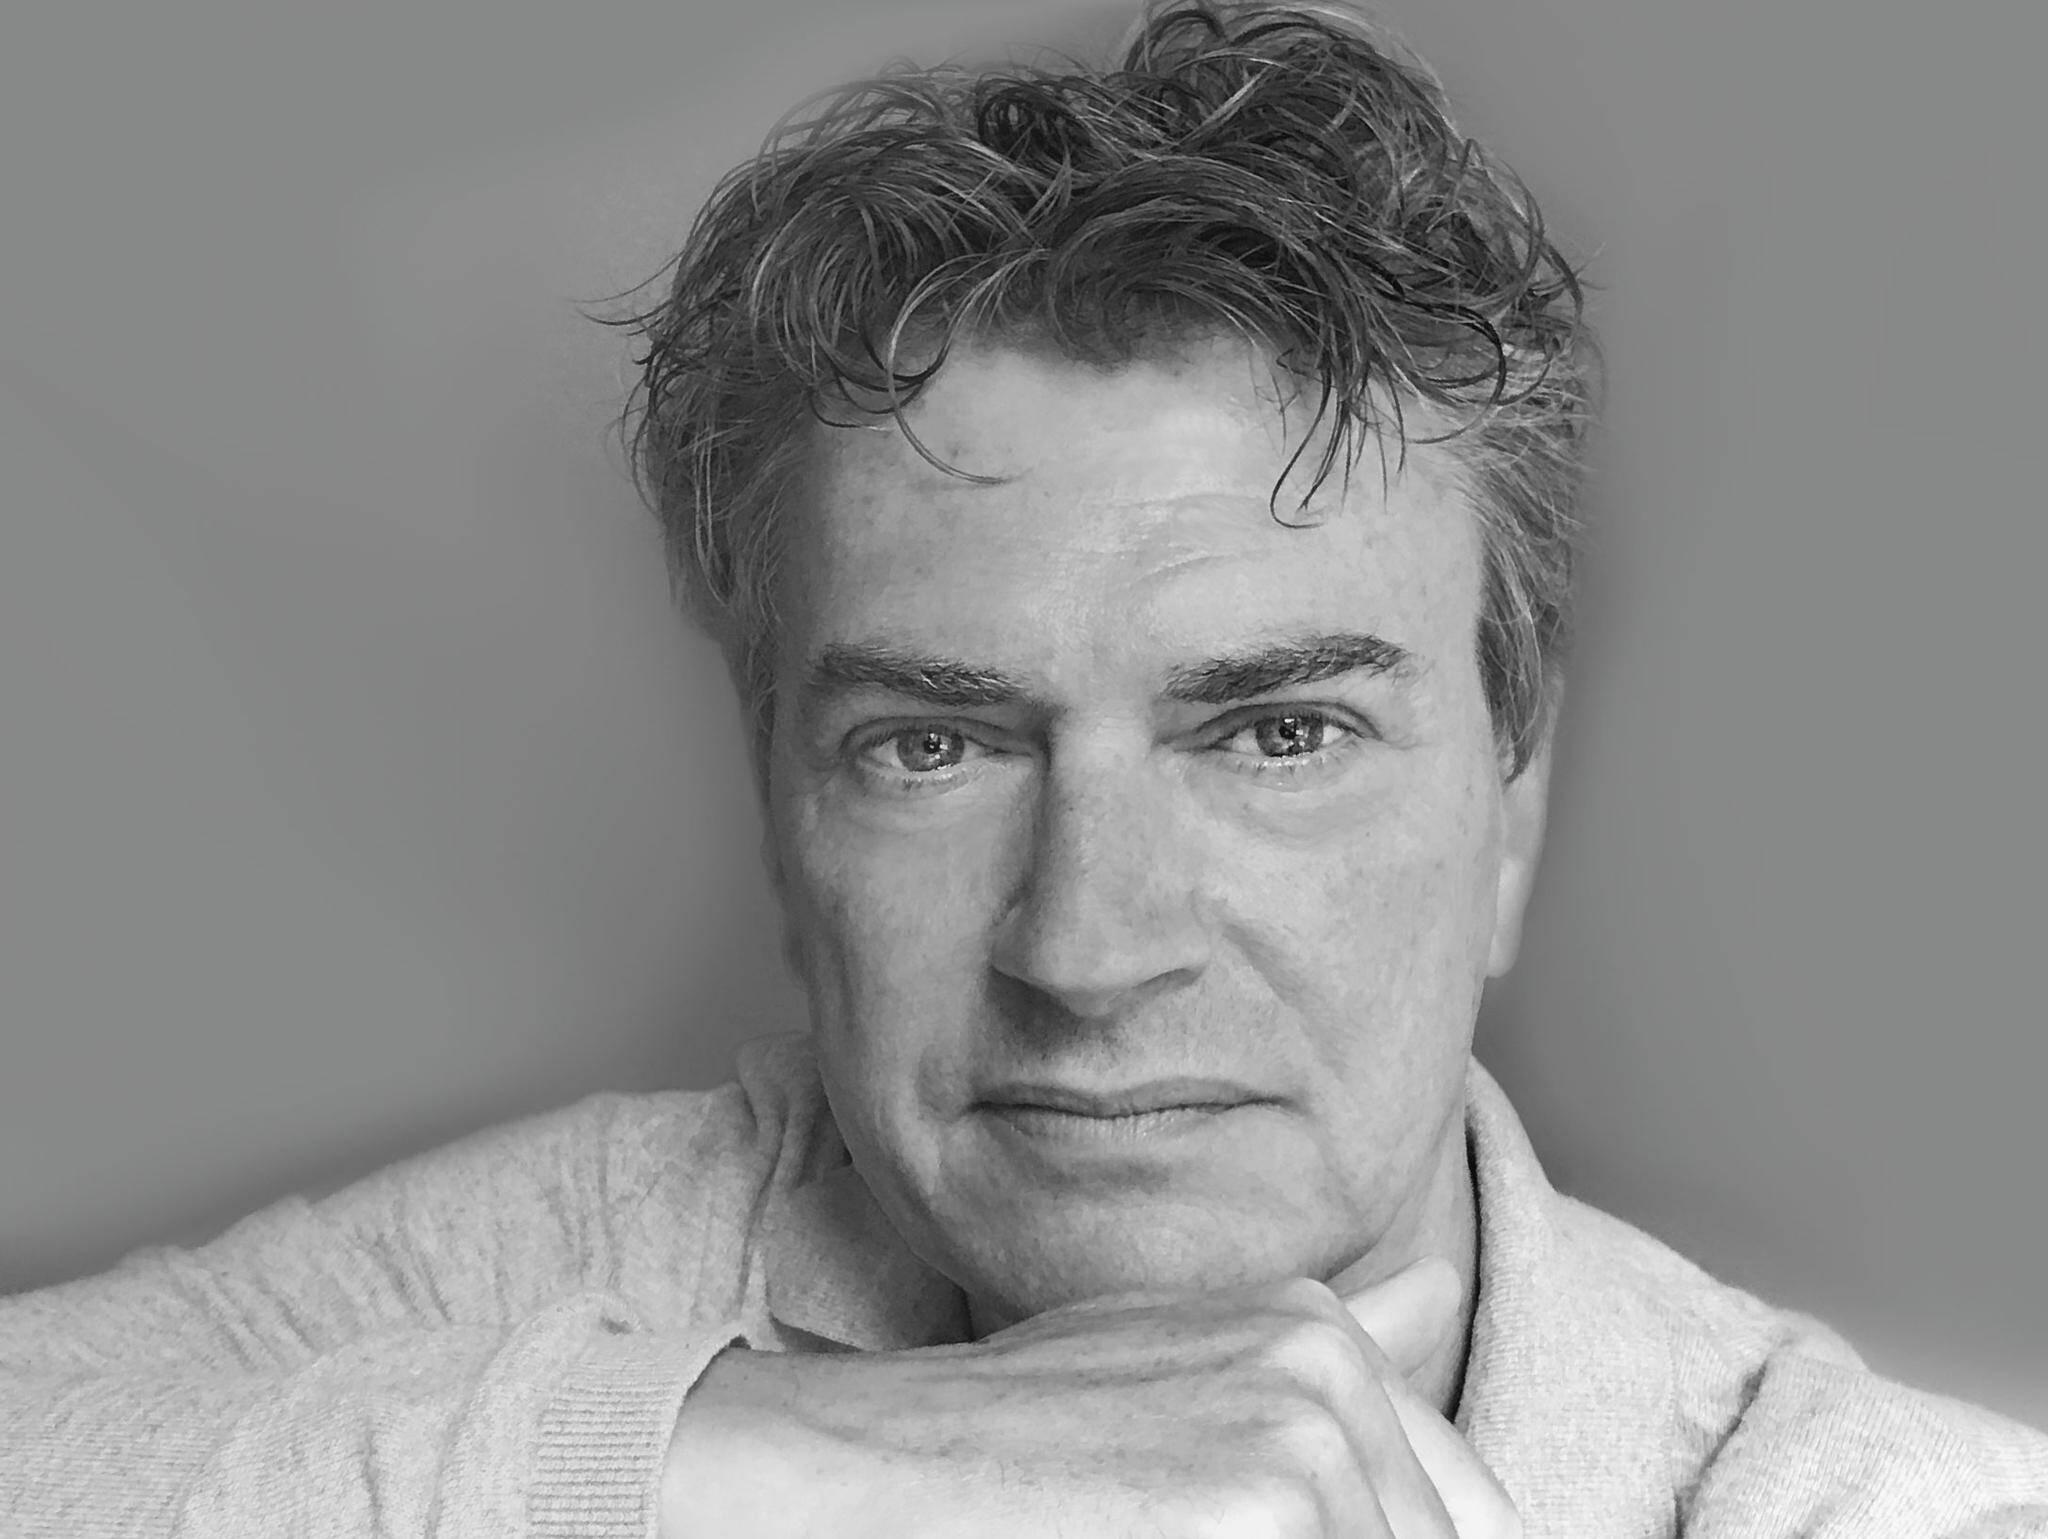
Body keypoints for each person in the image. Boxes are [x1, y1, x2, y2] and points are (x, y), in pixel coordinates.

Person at [3, 2, 2043, 1535]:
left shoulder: (1866, 1500)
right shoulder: (583, 1254)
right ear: (781, 811)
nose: (1088, 945)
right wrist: (765, 1463)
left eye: (1276, 731)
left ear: (1511, 803)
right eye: (936, 743)